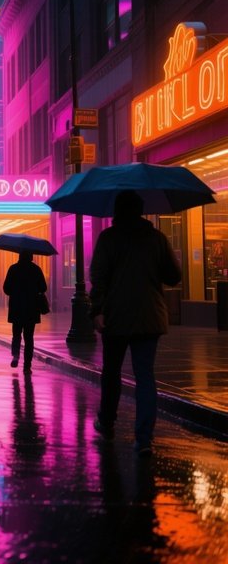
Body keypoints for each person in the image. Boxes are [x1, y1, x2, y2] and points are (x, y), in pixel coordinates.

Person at [89, 189, 182, 457]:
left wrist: (97, 310)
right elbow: (174, 276)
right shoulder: (157, 238)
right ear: (141, 210)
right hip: (149, 317)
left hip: (115, 318)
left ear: (116, 211)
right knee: (145, 376)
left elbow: (98, 276)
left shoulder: (108, 239)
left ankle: (107, 422)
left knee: (112, 372)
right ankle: (144, 438)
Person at [3, 251, 47, 373]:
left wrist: (15, 292)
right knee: (29, 338)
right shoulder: (36, 269)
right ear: (31, 256)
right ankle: (27, 366)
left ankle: (16, 356)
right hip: (31, 309)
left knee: (16, 335)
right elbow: (43, 287)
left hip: (16, 308)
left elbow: (6, 288)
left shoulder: (13, 269)